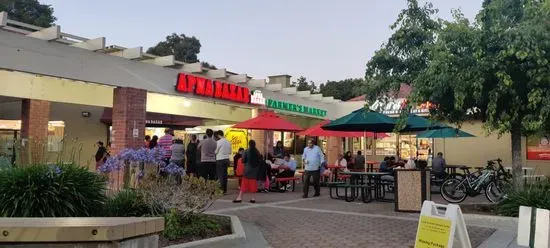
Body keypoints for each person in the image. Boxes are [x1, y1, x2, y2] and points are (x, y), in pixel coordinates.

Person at [215, 130, 232, 194]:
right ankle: (225, 190)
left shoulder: (219, 142)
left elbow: (215, 151)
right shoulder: (228, 142)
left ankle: (221, 190)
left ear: (219, 135)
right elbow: (230, 151)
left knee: (220, 175)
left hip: (220, 159)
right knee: (225, 175)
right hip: (227, 159)